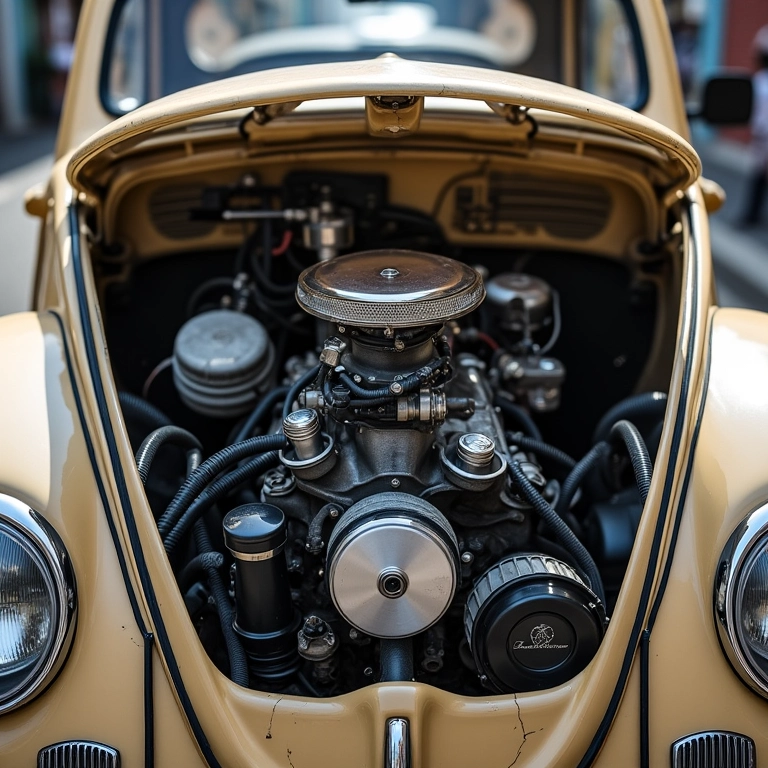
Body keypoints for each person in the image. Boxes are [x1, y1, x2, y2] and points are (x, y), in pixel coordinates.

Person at [741, 25, 768, 226]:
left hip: (763, 134)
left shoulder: (760, 82)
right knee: (759, 175)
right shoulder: (760, 81)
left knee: (759, 175)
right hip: (762, 134)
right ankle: (752, 215)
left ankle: (752, 215)